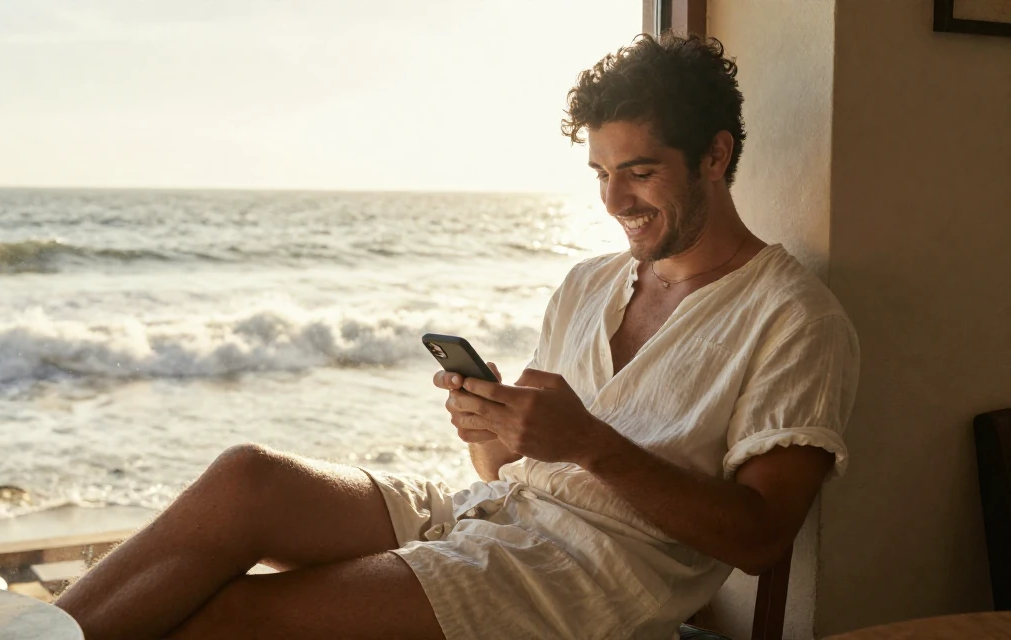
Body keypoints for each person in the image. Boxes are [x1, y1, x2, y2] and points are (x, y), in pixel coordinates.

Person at [55, 33, 860, 640]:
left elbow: (760, 538)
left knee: (229, 618)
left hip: (583, 577)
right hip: (490, 511)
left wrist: (589, 444)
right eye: (601, 174)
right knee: (248, 479)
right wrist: (491, 429)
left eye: (640, 171)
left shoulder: (794, 319)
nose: (615, 199)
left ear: (715, 156)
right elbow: (508, 467)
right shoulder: (588, 283)